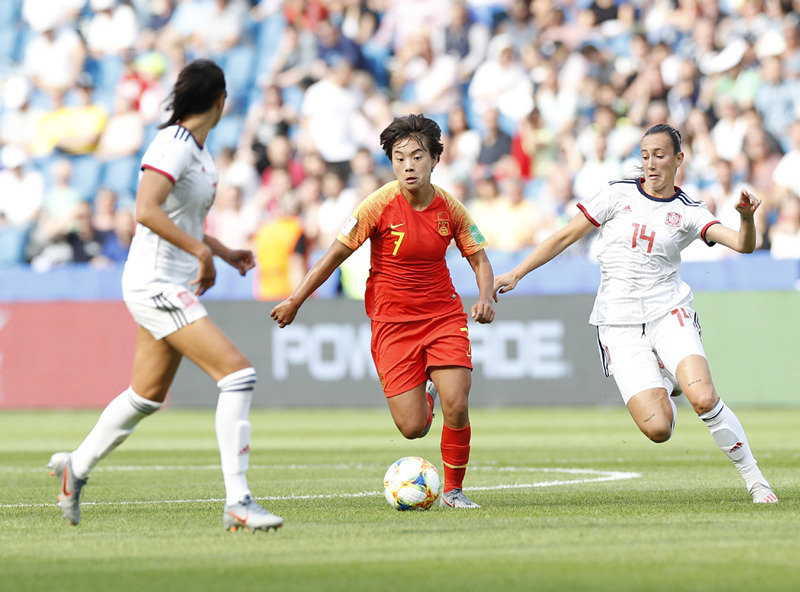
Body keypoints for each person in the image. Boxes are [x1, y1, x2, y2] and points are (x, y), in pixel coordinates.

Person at [47, 59, 284, 532]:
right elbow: (146, 209)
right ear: (221, 101)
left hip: (170, 279)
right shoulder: (173, 144)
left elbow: (183, 218)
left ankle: (75, 467)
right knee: (238, 375)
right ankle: (237, 500)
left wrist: (221, 250)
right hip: (156, 282)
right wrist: (201, 252)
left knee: (146, 396)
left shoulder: (197, 149)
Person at [494, 123, 778, 504]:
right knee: (658, 429)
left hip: (668, 312)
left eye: (659, 155)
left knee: (705, 399)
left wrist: (745, 217)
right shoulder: (617, 194)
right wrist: (516, 272)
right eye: (645, 156)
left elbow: (744, 246)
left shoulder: (689, 212)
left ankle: (756, 481)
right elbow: (564, 236)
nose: (650, 164)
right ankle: (666, 377)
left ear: (678, 159)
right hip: (618, 323)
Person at [270, 114, 496, 508]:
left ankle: (454, 491)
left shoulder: (450, 208)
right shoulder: (378, 205)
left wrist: (486, 296)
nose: (409, 165)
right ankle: (424, 398)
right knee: (412, 429)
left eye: (417, 156)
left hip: (443, 315)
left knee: (457, 403)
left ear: (435, 159)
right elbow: (333, 257)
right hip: (392, 324)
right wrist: (296, 299)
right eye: (399, 158)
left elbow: (478, 258)